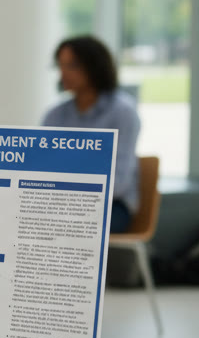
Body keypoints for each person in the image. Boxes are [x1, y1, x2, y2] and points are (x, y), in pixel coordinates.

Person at [42, 35, 140, 232]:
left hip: (112, 206)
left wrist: (70, 195)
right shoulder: (55, 115)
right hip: (61, 205)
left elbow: (119, 182)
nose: (63, 73)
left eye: (72, 65)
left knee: (63, 228)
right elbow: (41, 167)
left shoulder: (123, 112)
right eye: (61, 66)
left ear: (94, 66)